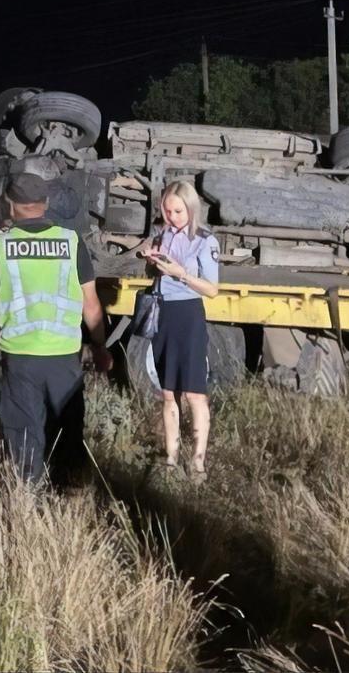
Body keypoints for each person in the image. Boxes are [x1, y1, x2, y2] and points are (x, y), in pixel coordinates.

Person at [0, 172, 112, 485]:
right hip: (65, 355)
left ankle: (27, 496)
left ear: (10, 205)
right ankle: (68, 491)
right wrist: (100, 346)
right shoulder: (71, 242)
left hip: (20, 357)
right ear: (45, 203)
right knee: (67, 431)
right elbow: (91, 305)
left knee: (24, 432)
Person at [139, 179, 220, 477]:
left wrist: (181, 273)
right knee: (168, 393)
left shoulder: (205, 241)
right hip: (163, 312)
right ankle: (170, 459)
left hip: (188, 314)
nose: (172, 217)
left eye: (178, 212)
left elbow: (212, 289)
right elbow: (156, 273)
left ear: (191, 209)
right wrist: (152, 259)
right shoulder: (164, 234)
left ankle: (198, 462)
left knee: (194, 393)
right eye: (168, 211)